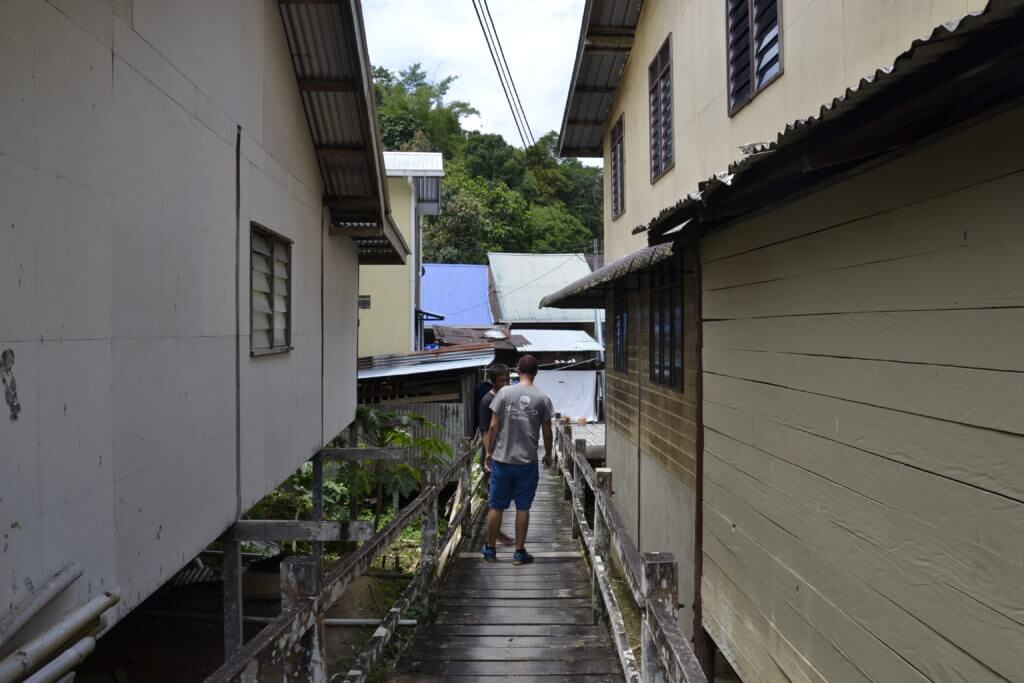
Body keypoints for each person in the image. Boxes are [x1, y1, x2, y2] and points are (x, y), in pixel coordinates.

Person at [482, 355, 554, 565]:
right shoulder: (543, 398)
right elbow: (547, 431)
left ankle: (491, 550)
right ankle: (519, 552)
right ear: (536, 372)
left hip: (503, 460)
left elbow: (493, 426)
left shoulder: (504, 393)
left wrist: (489, 452)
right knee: (523, 507)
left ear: (518, 371)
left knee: (496, 506)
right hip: (527, 462)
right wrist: (548, 454)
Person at [478, 364, 513, 546]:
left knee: (499, 497)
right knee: (495, 498)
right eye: (501, 380)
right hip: (494, 457)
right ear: (493, 381)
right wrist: (489, 456)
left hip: (505, 453)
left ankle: (496, 533)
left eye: (507, 379)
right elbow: (485, 431)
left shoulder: (505, 398)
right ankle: (495, 535)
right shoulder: (487, 401)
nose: (505, 383)